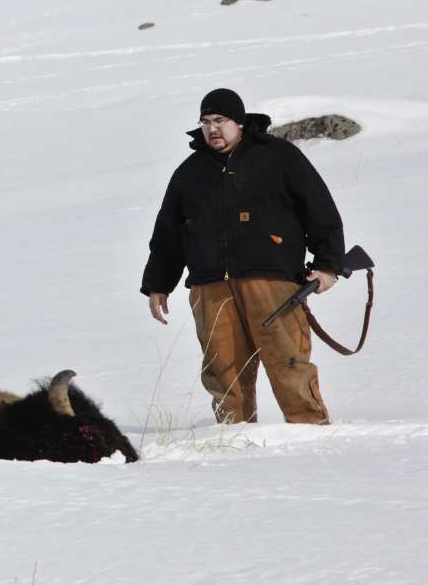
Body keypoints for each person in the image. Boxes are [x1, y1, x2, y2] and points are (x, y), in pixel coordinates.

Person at [140, 88, 345, 424]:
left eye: (220, 120)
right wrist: (158, 284)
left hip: (272, 280)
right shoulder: (190, 172)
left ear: (239, 122)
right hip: (211, 288)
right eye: (206, 122)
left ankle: (310, 431)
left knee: (288, 361)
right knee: (223, 370)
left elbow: (320, 211)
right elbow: (168, 235)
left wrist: (327, 265)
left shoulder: (279, 157)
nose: (212, 128)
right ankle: (233, 439)